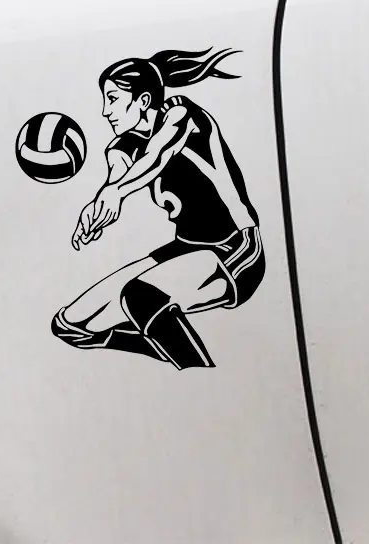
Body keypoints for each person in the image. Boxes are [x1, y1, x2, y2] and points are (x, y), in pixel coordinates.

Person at [51, 48, 264, 370]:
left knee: (141, 296)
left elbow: (158, 154)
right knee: (70, 326)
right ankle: (176, 350)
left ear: (144, 100)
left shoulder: (182, 114)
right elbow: (119, 172)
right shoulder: (122, 145)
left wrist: (116, 192)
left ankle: (200, 373)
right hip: (184, 248)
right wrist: (99, 205)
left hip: (233, 248)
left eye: (113, 99)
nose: (106, 111)